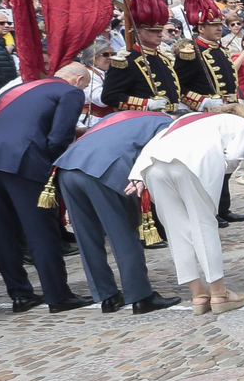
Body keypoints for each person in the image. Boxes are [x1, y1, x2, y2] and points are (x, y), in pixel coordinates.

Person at [0, 66, 92, 312]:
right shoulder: (70, 92)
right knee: (41, 229)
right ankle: (57, 294)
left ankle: (20, 294)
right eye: (84, 86)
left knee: (3, 231)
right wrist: (54, 168)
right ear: (77, 80)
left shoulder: (19, 88)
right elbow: (58, 138)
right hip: (24, 161)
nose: (83, 91)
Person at [126, 102, 244, 313]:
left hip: (153, 166)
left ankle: (198, 294)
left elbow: (153, 143)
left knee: (176, 230)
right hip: (194, 165)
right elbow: (235, 157)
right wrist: (217, 170)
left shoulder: (185, 119)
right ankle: (219, 293)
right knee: (204, 225)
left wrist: (136, 176)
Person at [53, 105, 182, 315]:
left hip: (67, 168)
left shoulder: (122, 115)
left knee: (87, 238)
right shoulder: (168, 125)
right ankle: (141, 297)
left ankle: (107, 297)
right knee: (124, 235)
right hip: (104, 170)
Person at [104, 0, 186, 114]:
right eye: (154, 31)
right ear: (139, 31)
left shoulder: (163, 58)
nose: (160, 34)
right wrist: (146, 104)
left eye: (160, 30)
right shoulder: (127, 61)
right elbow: (110, 96)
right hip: (145, 117)